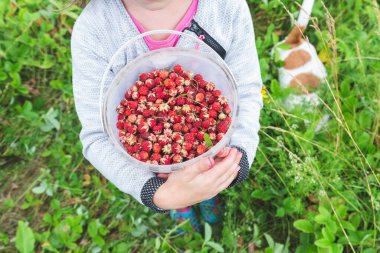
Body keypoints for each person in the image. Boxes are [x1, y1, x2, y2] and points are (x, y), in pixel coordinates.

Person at [71, 0, 262, 232]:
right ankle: (180, 206)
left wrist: (236, 157)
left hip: (213, 154)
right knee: (178, 193)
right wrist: (159, 193)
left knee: (206, 181)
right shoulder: (94, 30)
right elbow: (97, 136)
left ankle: (207, 194)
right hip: (155, 169)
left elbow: (246, 89)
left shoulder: (225, 7)